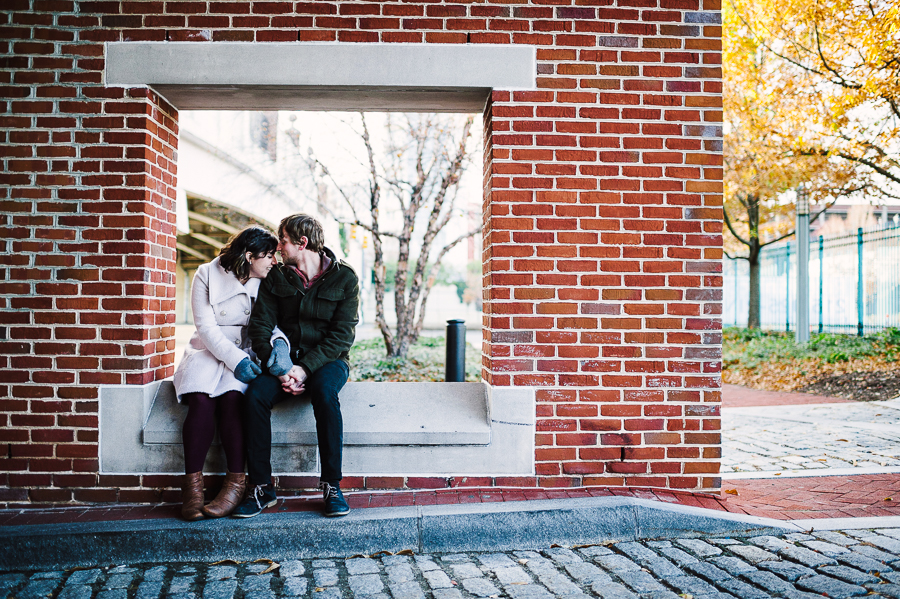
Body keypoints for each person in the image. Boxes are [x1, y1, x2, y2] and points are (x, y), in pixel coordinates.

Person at [233, 213, 359, 519]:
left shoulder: (346, 279)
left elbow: (342, 337)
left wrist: (305, 369)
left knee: (325, 394)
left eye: (283, 240)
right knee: (255, 397)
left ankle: (331, 485)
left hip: (328, 361)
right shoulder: (277, 277)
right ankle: (261, 487)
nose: (278, 247)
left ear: (302, 243)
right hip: (284, 361)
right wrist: (282, 369)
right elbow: (260, 328)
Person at [173, 225, 278, 521]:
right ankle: (192, 488)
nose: (273, 260)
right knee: (200, 400)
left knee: (233, 399)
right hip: (209, 348)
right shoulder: (206, 274)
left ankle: (235, 484)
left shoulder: (269, 280)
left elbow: (273, 324)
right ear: (248, 255)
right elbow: (206, 327)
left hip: (247, 349)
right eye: (267, 255)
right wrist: (235, 360)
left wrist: (259, 355)